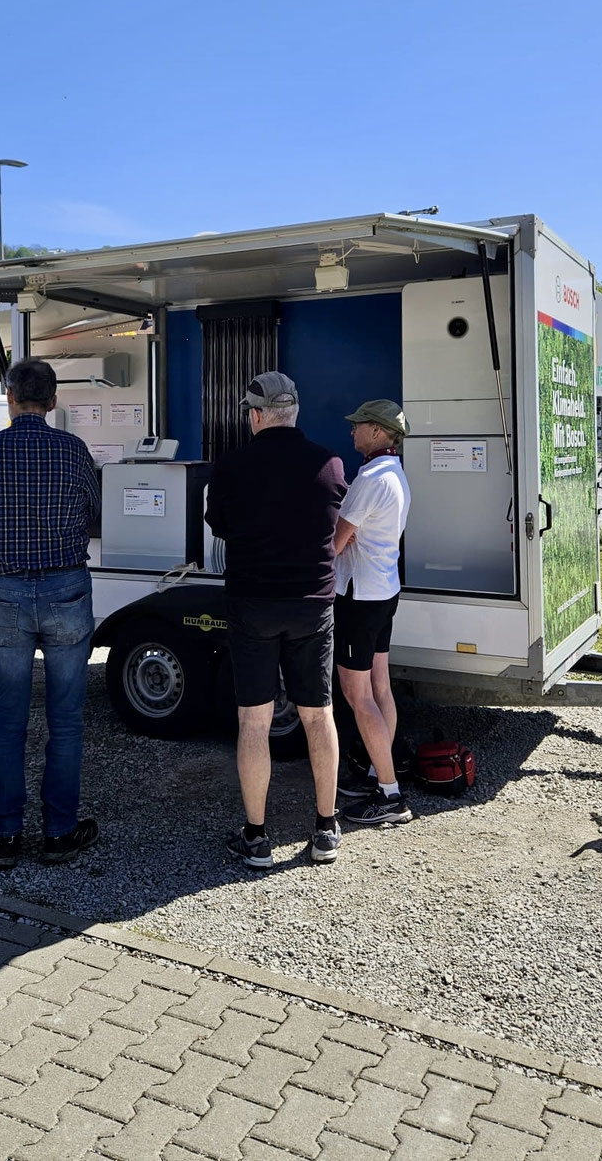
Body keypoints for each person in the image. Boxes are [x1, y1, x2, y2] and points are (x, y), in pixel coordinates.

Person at [0, 356, 101, 870]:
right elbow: (93, 514)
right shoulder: (73, 449)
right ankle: (60, 833)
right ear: (54, 400)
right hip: (66, 585)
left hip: (5, 591)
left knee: (7, 721)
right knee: (65, 720)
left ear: (10, 398)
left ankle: (4, 836)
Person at [206, 371, 347, 868]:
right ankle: (326, 830)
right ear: (295, 412)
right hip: (313, 606)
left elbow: (219, 524)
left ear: (256, 415)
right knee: (318, 714)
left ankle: (257, 837)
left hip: (253, 606)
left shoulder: (231, 466)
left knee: (254, 720)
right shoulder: (329, 463)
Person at [332, 399, 413, 826]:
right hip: (383, 593)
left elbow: (337, 542)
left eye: (358, 425)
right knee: (381, 687)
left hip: (357, 597)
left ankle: (389, 795)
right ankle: (378, 771)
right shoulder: (396, 474)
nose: (352, 432)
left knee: (357, 694)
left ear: (378, 432)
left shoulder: (368, 478)